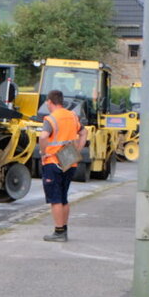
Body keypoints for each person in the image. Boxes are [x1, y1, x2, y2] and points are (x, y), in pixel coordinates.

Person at [38, 89, 88, 242]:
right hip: (69, 159)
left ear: (50, 102)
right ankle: (63, 229)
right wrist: (77, 150)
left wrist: (43, 152)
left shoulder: (51, 119)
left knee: (55, 199)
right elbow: (84, 133)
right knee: (63, 197)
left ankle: (59, 232)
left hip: (53, 161)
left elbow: (43, 136)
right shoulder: (72, 116)